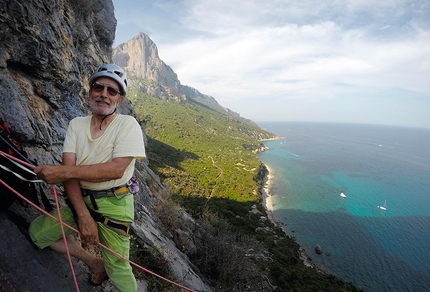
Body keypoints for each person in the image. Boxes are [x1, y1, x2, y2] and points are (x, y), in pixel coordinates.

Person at [29, 63, 145, 292]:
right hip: (79, 198)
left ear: (119, 100)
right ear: (90, 91)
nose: (104, 94)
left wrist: (61, 172)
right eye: (99, 87)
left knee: (118, 267)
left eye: (112, 91)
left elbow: (116, 170)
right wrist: (83, 216)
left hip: (115, 204)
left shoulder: (127, 124)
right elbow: (70, 173)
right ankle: (94, 263)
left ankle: (109, 269)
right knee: (38, 234)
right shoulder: (76, 125)